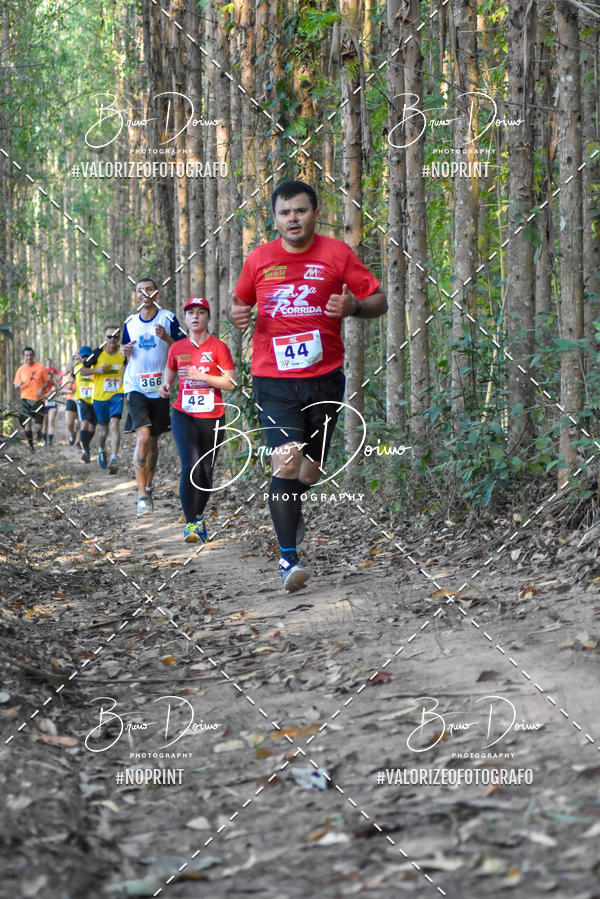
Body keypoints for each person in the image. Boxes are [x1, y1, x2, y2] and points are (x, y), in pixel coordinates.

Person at [229, 180, 387, 592]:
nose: (293, 218)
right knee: (286, 462)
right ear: (275, 219)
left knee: (309, 471)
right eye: (285, 213)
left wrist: (354, 306)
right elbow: (239, 304)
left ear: (314, 213)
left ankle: (291, 506)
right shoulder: (259, 259)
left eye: (300, 210)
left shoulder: (337, 254)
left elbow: (379, 301)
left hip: (324, 380)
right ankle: (288, 559)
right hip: (273, 379)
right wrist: (237, 315)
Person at [160, 297, 235, 542]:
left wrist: (202, 376)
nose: (195, 316)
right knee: (189, 466)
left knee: (205, 472)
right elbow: (170, 371)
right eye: (191, 312)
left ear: (208, 318)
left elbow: (230, 383)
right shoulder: (177, 348)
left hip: (213, 416)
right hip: (183, 414)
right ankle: (191, 523)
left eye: (200, 312)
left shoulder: (219, 348)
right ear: (186, 318)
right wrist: (166, 385)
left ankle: (200, 515)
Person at [122, 277, 183, 516]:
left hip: (160, 388)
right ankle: (141, 496)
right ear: (135, 296)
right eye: (140, 291)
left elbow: (184, 347)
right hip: (135, 386)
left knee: (154, 443)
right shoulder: (129, 322)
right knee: (143, 437)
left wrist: (167, 338)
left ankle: (148, 485)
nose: (144, 294)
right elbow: (125, 353)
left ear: (157, 294)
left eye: (149, 290)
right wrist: (124, 351)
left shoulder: (168, 318)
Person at [76, 326, 125, 474]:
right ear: (105, 337)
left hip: (117, 395)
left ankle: (114, 458)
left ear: (119, 338)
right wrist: (97, 370)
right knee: (103, 430)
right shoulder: (96, 353)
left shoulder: (123, 353)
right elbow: (82, 370)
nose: (112, 340)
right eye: (109, 337)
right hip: (99, 397)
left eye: (115, 337)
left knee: (114, 424)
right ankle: (102, 449)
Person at [13, 347, 53, 452]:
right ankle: (31, 446)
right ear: (24, 356)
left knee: (39, 426)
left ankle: (39, 433)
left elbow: (48, 381)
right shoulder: (21, 369)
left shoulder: (40, 367)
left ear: (33, 356)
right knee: (27, 423)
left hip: (39, 400)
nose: (29, 357)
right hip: (25, 399)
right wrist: (19, 384)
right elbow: (15, 386)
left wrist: (41, 388)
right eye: (26, 355)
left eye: (30, 355)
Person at [73, 346, 97, 463]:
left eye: (88, 356)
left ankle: (86, 446)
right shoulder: (77, 368)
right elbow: (71, 378)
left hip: (95, 399)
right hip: (82, 399)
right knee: (84, 422)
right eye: (84, 356)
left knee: (92, 428)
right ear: (81, 357)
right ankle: (85, 451)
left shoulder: (95, 368)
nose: (86, 358)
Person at [41, 358, 60, 446]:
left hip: (52, 405)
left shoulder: (54, 385)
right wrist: (48, 393)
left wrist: (55, 391)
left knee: (51, 422)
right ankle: (44, 440)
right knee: (44, 424)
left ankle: (50, 441)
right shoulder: (42, 386)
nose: (49, 379)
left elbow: (57, 394)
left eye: (51, 377)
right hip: (44, 405)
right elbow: (41, 396)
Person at [61, 361, 80, 446]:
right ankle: (73, 434)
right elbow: (62, 389)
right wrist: (70, 391)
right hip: (71, 400)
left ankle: (78, 442)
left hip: (81, 400)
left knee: (80, 422)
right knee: (69, 423)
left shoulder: (84, 374)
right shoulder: (68, 377)